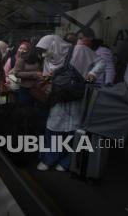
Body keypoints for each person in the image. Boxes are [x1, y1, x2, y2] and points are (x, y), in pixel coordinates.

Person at [35, 35, 105, 172]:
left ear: (55, 45)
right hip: (58, 100)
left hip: (76, 98)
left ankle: (67, 161)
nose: (44, 54)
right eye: (42, 51)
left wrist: (92, 73)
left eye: (45, 49)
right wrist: (47, 80)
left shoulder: (80, 50)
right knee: (53, 129)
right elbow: (46, 76)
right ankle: (49, 159)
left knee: (74, 130)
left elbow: (101, 62)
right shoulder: (49, 59)